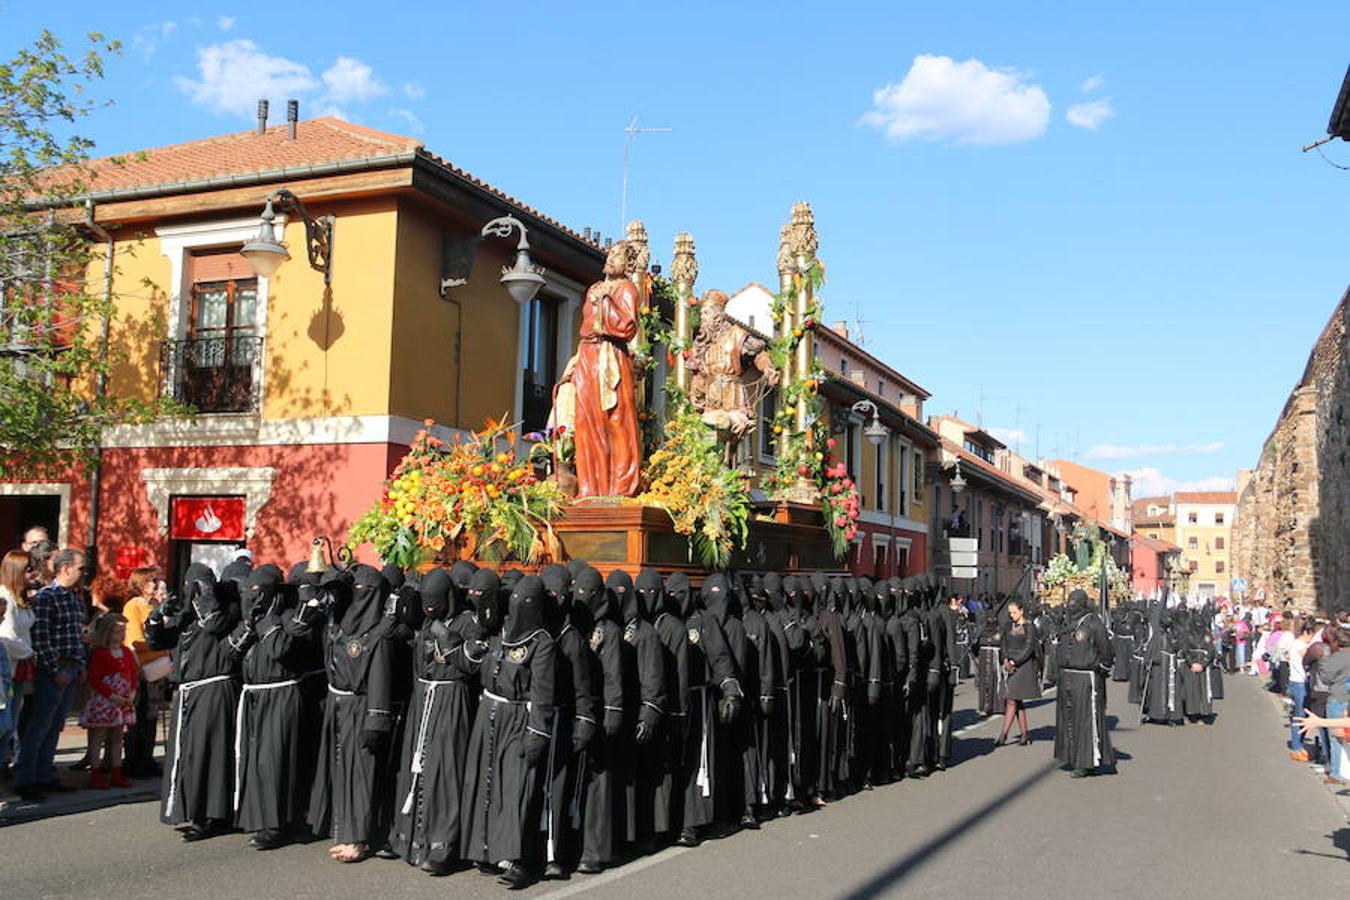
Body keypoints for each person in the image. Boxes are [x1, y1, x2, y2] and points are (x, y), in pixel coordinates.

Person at [459, 574, 556, 889]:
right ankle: (485, 848)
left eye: (525, 602)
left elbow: (543, 694)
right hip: (489, 711)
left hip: (518, 716)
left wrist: (537, 733)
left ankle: (518, 859)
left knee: (515, 787)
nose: (518, 605)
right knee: (483, 781)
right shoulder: (499, 629)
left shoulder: (542, 643)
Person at [148, 563, 245, 841]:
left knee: (209, 755)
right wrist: (158, 617)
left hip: (213, 690)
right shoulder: (186, 617)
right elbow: (158, 641)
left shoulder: (225, 611)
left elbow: (215, 623)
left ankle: (211, 815)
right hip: (189, 692)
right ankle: (189, 809)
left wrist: (205, 597)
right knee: (188, 756)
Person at [14, 547, 87, 802]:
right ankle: (26, 778)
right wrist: (54, 670)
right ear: (65, 568)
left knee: (55, 726)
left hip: (71, 665)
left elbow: (77, 634)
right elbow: (41, 637)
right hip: (53, 670)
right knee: (40, 725)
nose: (84, 572)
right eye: (81, 567)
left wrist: (81, 665)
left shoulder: (74, 597)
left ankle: (44, 774)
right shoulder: (47, 597)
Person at [1053, 589, 1114, 778]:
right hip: (1066, 676)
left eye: (1074, 602)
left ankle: (1086, 762)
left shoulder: (1094, 623)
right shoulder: (1066, 622)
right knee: (1069, 718)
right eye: (1069, 601)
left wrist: (1099, 670)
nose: (1071, 605)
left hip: (1086, 678)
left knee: (1085, 719)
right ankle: (1072, 755)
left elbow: (1106, 652)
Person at [80, 612, 137, 789]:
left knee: (118, 737)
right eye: (117, 631)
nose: (121, 635)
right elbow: (95, 679)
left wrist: (132, 693)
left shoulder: (127, 652)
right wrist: (112, 696)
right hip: (105, 700)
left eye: (123, 631)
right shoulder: (100, 653)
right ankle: (95, 772)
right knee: (99, 736)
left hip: (123, 699)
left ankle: (116, 771)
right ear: (108, 632)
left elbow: (133, 674)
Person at [122, 567, 169, 777]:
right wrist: (157, 645)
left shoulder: (155, 605)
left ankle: (147, 758)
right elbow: (134, 639)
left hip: (158, 665)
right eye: (151, 581)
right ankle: (133, 760)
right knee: (137, 715)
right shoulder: (133, 606)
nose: (155, 584)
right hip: (142, 665)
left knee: (151, 715)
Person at [0, 550, 36, 771]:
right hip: (8, 668)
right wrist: (30, 653)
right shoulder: (5, 597)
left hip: (19, 668)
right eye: (29, 569)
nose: (34, 573)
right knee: (5, 722)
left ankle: (5, 765)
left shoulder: (20, 598)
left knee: (12, 721)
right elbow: (8, 636)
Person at [995, 598, 1039, 747]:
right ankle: (1025, 735)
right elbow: (1004, 643)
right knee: (1016, 700)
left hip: (1023, 666)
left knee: (1011, 699)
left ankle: (1003, 735)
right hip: (1010, 664)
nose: (1011, 615)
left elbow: (1029, 648)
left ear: (1021, 611)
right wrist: (1006, 659)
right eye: (1010, 613)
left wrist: (1015, 661)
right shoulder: (1008, 625)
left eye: (1014, 612)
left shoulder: (1030, 627)